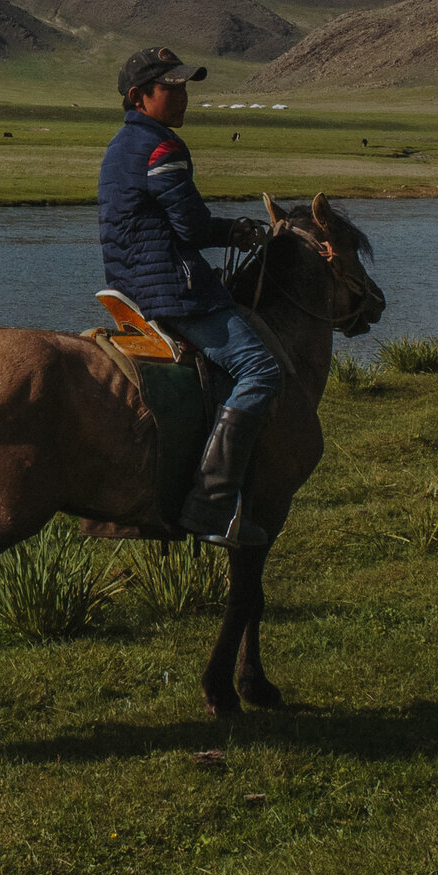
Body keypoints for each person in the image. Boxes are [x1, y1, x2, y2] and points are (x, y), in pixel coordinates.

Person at [97, 46, 283, 546]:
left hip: (129, 285)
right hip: (173, 290)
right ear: (140, 96)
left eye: (185, 87)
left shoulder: (120, 146)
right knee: (260, 370)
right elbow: (193, 226)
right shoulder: (163, 148)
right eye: (171, 88)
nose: (183, 97)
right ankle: (212, 504)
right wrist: (236, 231)